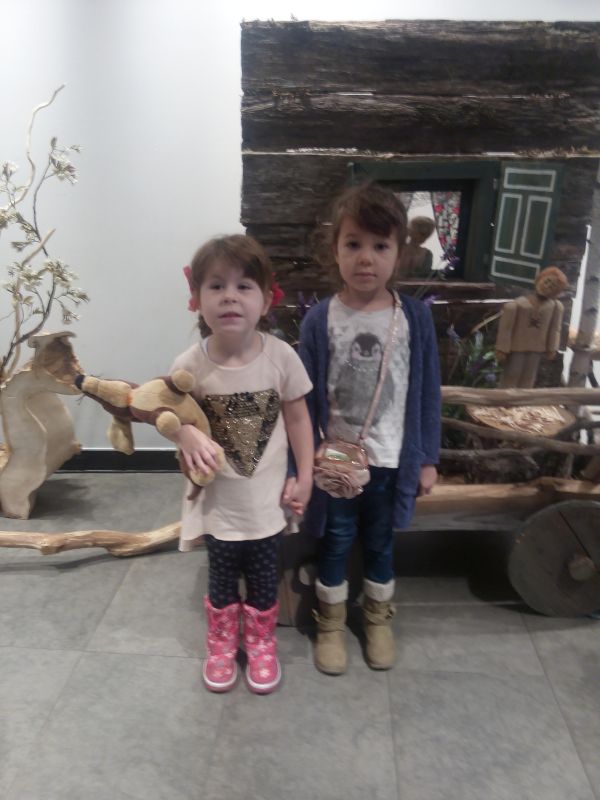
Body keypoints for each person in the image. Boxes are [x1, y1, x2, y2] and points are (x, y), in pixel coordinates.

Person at [299, 182, 441, 675]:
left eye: (381, 246)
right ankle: (331, 623)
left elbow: (428, 391)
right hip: (335, 463)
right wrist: (304, 462)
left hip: (392, 459)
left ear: (399, 253)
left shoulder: (415, 318)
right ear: (334, 249)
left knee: (381, 541)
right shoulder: (319, 320)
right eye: (354, 243)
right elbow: (304, 400)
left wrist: (427, 458)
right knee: (335, 540)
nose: (366, 258)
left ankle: (378, 618)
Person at [169, 234, 313, 694]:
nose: (230, 296)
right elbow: (165, 411)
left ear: (267, 299)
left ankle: (261, 642)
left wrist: (305, 476)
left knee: (265, 578)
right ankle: (221, 641)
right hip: (218, 506)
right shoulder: (190, 365)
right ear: (197, 299)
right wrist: (184, 432)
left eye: (243, 286)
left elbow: (298, 418)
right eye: (216, 285)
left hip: (266, 504)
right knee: (222, 577)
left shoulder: (281, 357)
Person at [495, 266, 567, 388]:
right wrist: (502, 348)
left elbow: (555, 329)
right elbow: (506, 328)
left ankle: (524, 398)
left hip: (536, 348)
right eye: (547, 281)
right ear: (539, 279)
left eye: (553, 286)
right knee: (512, 374)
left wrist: (552, 348)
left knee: (529, 376)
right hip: (517, 347)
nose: (547, 286)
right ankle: (505, 397)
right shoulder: (517, 304)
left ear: (557, 291)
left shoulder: (555, 307)